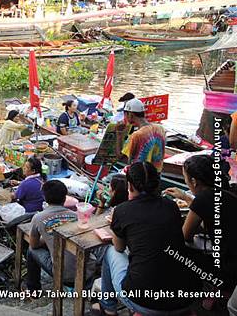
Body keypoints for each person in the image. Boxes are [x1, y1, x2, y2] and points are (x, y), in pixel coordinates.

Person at [96, 162, 200, 315]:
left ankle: (108, 306)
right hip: (185, 299)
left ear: (130, 186)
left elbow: (119, 247)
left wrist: (117, 227)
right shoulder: (171, 206)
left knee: (110, 251)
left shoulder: (122, 210)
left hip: (144, 302)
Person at [163, 155, 237, 293]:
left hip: (228, 273)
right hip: (231, 259)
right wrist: (186, 197)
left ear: (194, 181)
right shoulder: (227, 190)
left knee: (172, 250)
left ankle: (197, 287)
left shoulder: (203, 200)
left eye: (185, 179)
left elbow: (185, 236)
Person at [25, 180, 96, 291]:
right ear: (65, 198)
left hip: (64, 275)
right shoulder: (76, 216)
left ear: (45, 198)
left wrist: (48, 237)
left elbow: (34, 245)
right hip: (88, 272)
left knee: (31, 251)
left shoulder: (38, 218)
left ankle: (33, 290)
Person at [115, 98, 166, 172]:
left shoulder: (137, 135)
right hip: (156, 174)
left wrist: (119, 134)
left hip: (139, 176)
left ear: (130, 114)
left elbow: (120, 157)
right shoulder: (160, 129)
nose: (124, 117)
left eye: (125, 114)